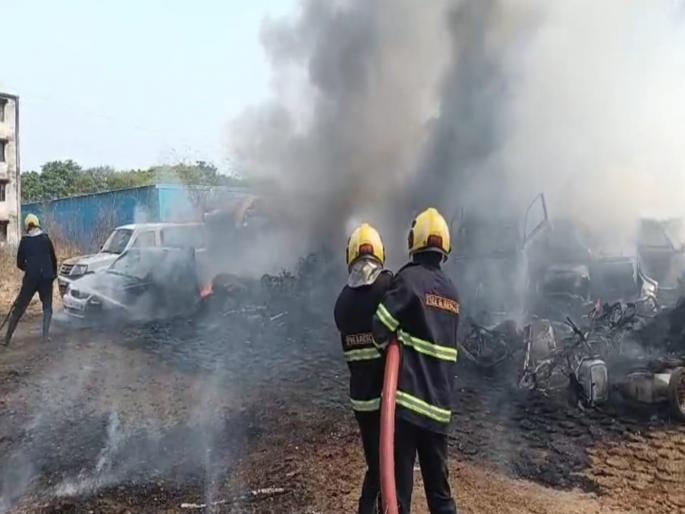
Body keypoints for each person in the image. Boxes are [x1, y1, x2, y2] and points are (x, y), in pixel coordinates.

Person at [372, 208, 460, 514]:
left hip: (408, 407)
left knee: (397, 494)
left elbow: (380, 327)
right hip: (439, 410)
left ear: (414, 241)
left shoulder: (408, 280)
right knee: (440, 494)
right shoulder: (452, 292)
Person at [334, 223, 393, 514]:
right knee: (389, 467)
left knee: (375, 464)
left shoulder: (342, 302)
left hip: (360, 400)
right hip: (387, 399)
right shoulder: (387, 286)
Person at [4, 214, 57, 346]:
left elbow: (19, 263)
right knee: (47, 307)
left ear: (27, 227)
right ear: (38, 224)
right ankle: (45, 337)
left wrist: (29, 268)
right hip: (46, 277)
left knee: (19, 308)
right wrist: (53, 275)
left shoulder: (24, 241)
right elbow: (53, 259)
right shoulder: (46, 239)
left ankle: (6, 339)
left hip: (31, 279)